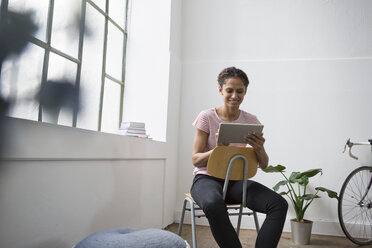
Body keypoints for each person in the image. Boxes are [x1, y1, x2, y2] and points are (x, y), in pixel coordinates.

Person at [190, 67, 288, 248]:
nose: (234, 95)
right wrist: (219, 149)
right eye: (229, 90)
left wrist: (259, 148)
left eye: (240, 91)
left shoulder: (251, 120)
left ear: (245, 92)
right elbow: (195, 159)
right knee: (213, 204)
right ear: (220, 90)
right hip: (206, 178)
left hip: (236, 181)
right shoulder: (206, 117)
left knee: (278, 204)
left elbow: (264, 164)